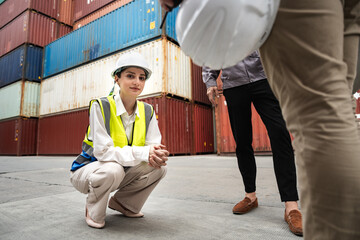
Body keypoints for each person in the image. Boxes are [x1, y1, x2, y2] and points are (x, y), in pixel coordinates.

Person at [203, 51, 303, 236]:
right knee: (242, 142)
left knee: (280, 135)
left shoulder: (257, 19)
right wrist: (210, 82)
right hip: (234, 85)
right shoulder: (218, 24)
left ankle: (291, 206)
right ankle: (250, 196)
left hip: (264, 79)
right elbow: (212, 53)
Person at [70, 52, 169, 229]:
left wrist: (156, 154)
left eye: (141, 77)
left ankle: (125, 204)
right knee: (112, 169)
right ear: (117, 78)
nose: (137, 82)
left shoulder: (147, 111)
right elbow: (103, 152)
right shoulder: (100, 106)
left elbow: (152, 145)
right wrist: (144, 152)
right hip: (89, 170)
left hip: (122, 170)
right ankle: (93, 209)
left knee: (157, 168)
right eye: (130, 76)